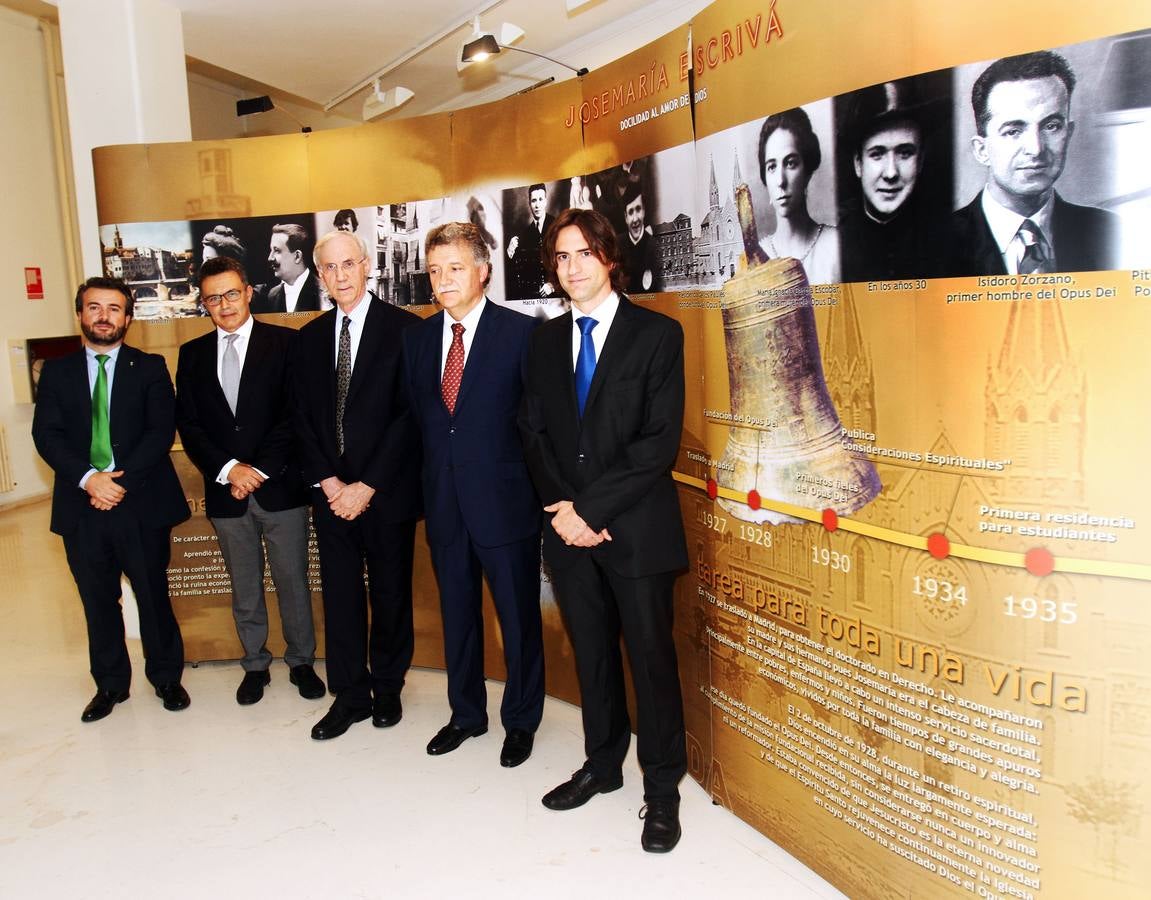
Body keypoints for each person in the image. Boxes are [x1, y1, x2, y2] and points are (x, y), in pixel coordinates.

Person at [518, 208, 688, 853]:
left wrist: (592, 512)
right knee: (592, 659)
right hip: (567, 533)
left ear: (609, 257)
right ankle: (602, 765)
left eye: (584, 253)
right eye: (561, 258)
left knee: (651, 663)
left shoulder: (656, 336)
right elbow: (532, 432)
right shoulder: (542, 342)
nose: (572, 267)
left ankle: (663, 791)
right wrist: (565, 510)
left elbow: (657, 444)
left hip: (635, 534)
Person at [402, 222, 544, 767]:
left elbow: (537, 425)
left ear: (483, 271)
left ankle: (522, 719)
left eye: (454, 268)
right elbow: (422, 423)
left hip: (506, 504)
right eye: (434, 271)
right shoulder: (417, 340)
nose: (442, 280)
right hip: (443, 502)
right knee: (458, 613)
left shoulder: (522, 334)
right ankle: (465, 713)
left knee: (517, 617)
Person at [32, 277, 191, 722]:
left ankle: (165, 678)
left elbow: (160, 432)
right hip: (82, 508)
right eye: (95, 307)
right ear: (80, 314)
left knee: (153, 595)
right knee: (97, 600)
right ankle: (109, 685)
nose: (104, 316)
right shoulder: (57, 372)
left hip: (140, 504)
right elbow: (47, 435)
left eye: (114, 308)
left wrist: (116, 483)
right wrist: (89, 480)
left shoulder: (152, 367)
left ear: (128, 318)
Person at [175, 256, 324, 706]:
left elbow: (293, 416)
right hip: (226, 493)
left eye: (231, 293)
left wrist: (255, 470)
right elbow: (191, 425)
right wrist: (228, 471)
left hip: (280, 488)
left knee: (293, 581)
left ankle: (301, 661)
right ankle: (255, 663)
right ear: (204, 304)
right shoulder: (192, 354)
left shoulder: (285, 344)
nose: (224, 304)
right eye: (213, 298)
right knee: (244, 584)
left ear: (248, 291)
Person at [293, 229, 422, 740]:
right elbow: (300, 417)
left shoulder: (407, 331)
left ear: (367, 266)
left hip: (384, 493)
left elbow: (409, 418)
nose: (341, 275)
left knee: (391, 593)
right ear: (320, 275)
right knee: (340, 597)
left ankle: (388, 687)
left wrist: (366, 485)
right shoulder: (308, 340)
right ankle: (349, 695)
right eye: (331, 267)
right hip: (329, 494)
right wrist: (329, 482)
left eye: (349, 264)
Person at [949, 49, 1119, 275]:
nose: (1036, 149)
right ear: (982, 150)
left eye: (1051, 126)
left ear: (1068, 134)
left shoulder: (1110, 232)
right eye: (1013, 131)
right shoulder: (937, 243)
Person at [838, 80, 947, 282]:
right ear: (858, 164)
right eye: (877, 154)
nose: (891, 173)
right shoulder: (834, 242)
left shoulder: (949, 242)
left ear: (921, 160)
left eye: (905, 153)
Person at [758, 107, 841, 284]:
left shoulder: (836, 246)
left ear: (807, 171)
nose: (780, 180)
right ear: (765, 178)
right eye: (771, 167)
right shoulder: (758, 258)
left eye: (790, 163)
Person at [252, 223, 321, 313]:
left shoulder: (323, 293)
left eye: (277, 250)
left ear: (297, 256)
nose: (270, 258)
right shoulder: (272, 295)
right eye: (271, 250)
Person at [505, 183, 554, 299]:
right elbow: (520, 272)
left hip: (556, 295)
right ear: (529, 204)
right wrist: (509, 253)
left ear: (546, 201)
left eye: (540, 199)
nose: (537, 205)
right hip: (534, 297)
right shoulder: (525, 234)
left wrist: (553, 285)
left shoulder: (557, 226)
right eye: (534, 201)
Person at [618, 182, 661, 293]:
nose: (635, 218)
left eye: (638, 209)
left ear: (644, 211)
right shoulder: (617, 246)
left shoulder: (654, 246)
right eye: (631, 212)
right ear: (625, 217)